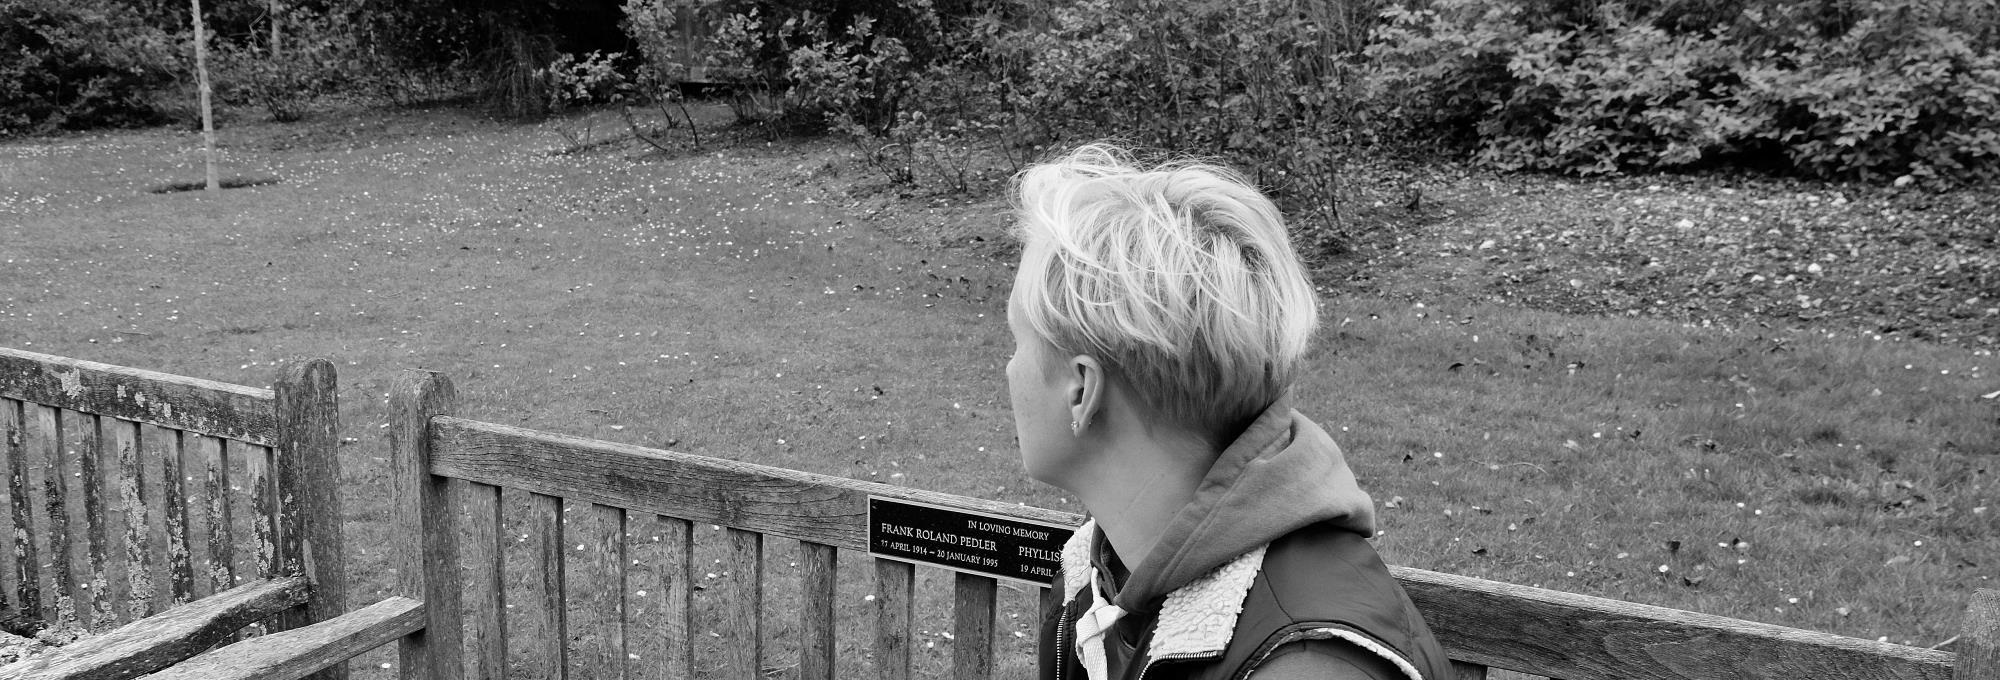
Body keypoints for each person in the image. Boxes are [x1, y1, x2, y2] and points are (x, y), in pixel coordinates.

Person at [1005, 144, 1453, 680]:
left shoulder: (1309, 669)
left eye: (1016, 342)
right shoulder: (1108, 564)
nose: (1009, 369)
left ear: (1082, 389)